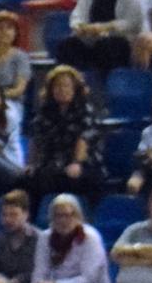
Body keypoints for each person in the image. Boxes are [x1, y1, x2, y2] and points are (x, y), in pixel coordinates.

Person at [29, 194, 112, 283]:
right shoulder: (45, 237)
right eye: (58, 216)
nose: (63, 220)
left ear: (78, 216)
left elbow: (88, 279)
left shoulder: (90, 237)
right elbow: (39, 270)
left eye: (68, 215)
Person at [25, 67, 105, 208]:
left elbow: (83, 139)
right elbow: (35, 139)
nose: (61, 89)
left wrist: (77, 163)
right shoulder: (44, 112)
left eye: (66, 85)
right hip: (52, 164)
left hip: (83, 164)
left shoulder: (85, 110)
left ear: (75, 88)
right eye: (57, 86)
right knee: (28, 180)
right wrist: (31, 164)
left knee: (85, 180)